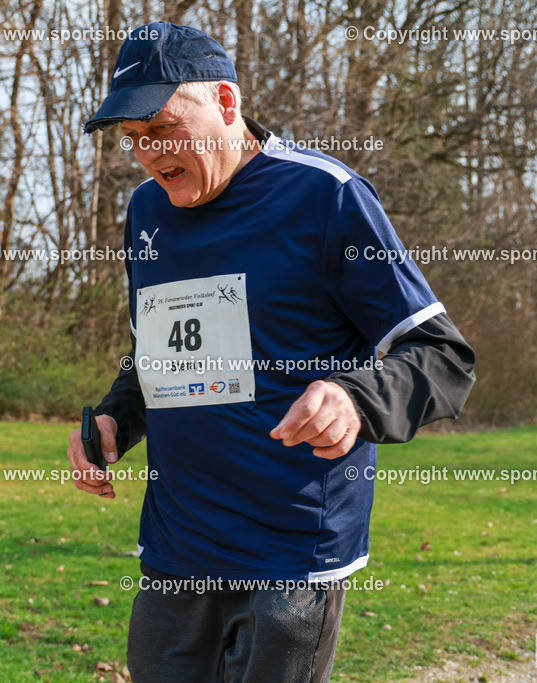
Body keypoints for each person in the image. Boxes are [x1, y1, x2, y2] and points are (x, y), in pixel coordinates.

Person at [66, 21, 476, 682]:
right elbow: (161, 350)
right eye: (134, 140)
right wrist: (118, 415)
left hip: (289, 555)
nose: (149, 154)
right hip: (178, 546)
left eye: (165, 129)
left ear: (228, 104)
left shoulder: (325, 196)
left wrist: (354, 396)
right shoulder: (147, 211)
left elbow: (441, 357)